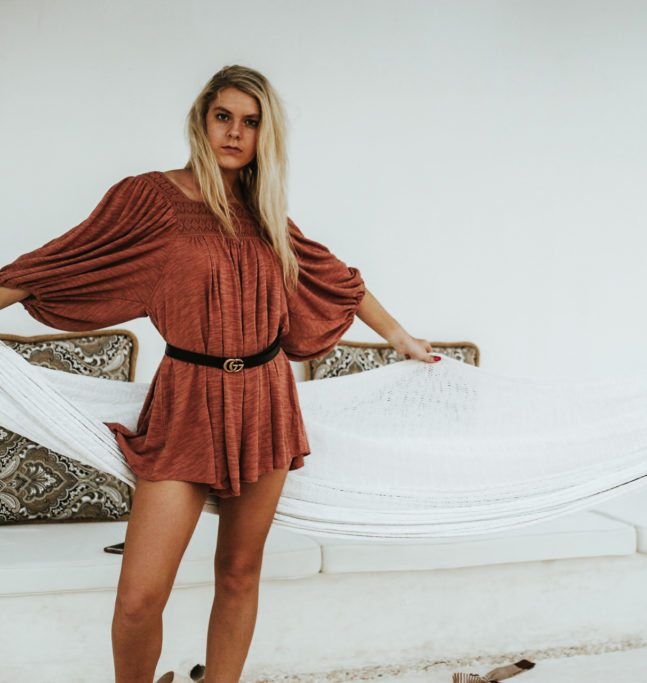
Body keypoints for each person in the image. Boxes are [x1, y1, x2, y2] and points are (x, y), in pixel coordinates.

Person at [0, 64, 437, 683]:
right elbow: (63, 260)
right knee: (138, 600)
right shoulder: (150, 197)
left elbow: (335, 279)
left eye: (251, 122)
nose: (235, 132)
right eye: (223, 116)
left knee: (239, 572)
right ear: (202, 121)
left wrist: (401, 338)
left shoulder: (264, 212)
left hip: (264, 399)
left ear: (266, 135)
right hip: (187, 400)